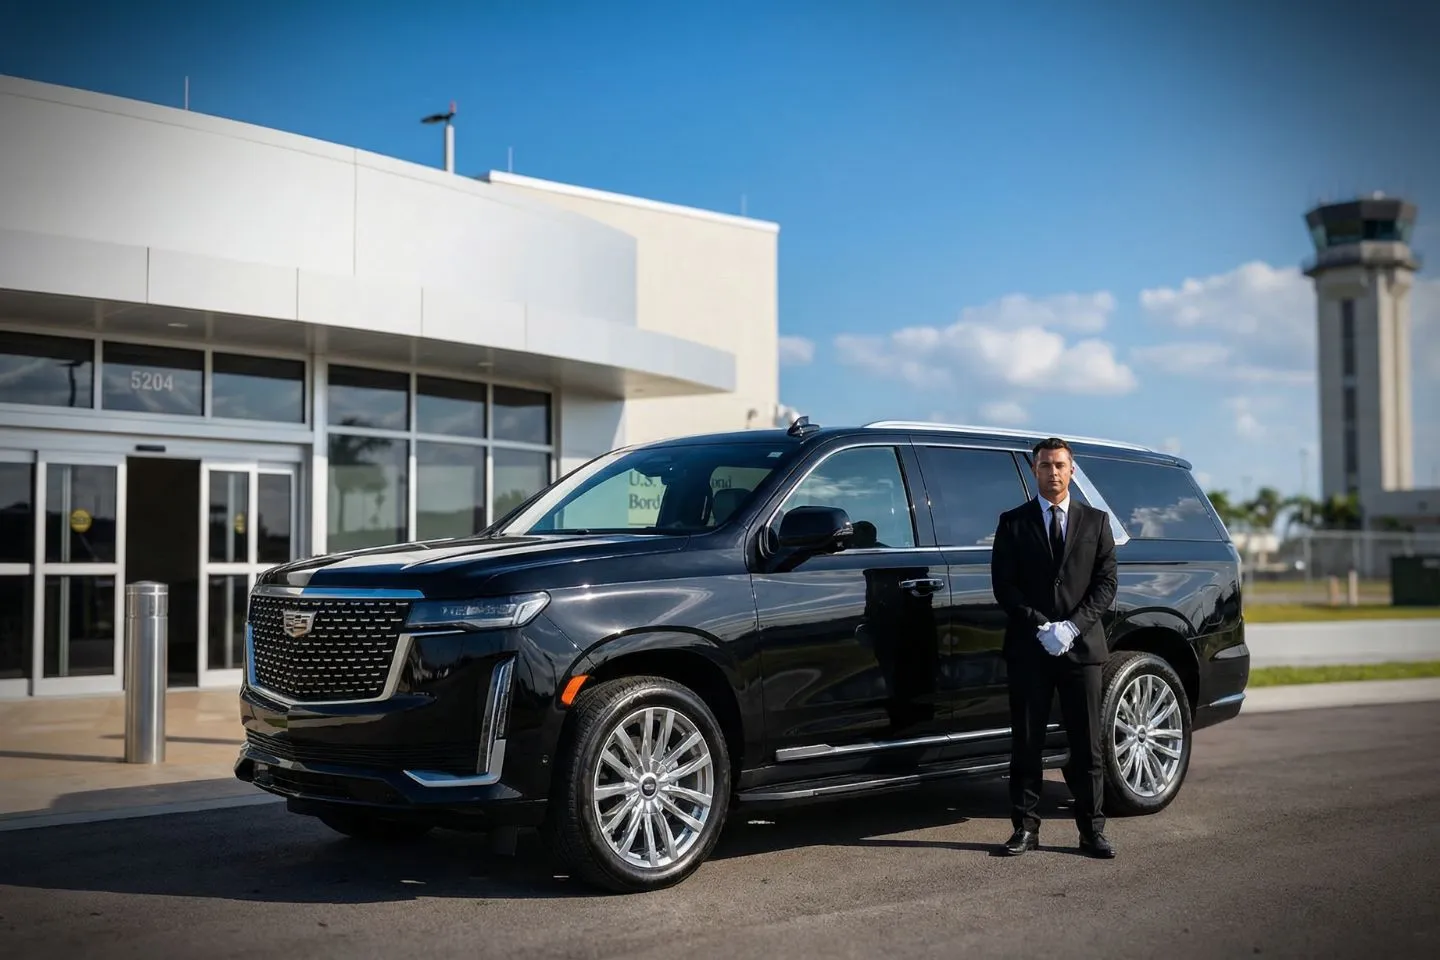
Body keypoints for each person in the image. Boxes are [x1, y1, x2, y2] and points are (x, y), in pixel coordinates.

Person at [989, 436, 1118, 858]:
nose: (1053, 472)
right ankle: (1025, 829)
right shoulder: (1013, 521)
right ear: (1034, 470)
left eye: (1060, 465)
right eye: (1045, 465)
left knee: (1087, 746)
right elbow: (1003, 585)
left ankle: (1092, 831)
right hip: (1030, 649)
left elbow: (1106, 585)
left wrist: (1072, 628)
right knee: (1026, 743)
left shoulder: (1096, 522)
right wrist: (1041, 625)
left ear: (1072, 470)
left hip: (1081, 651)